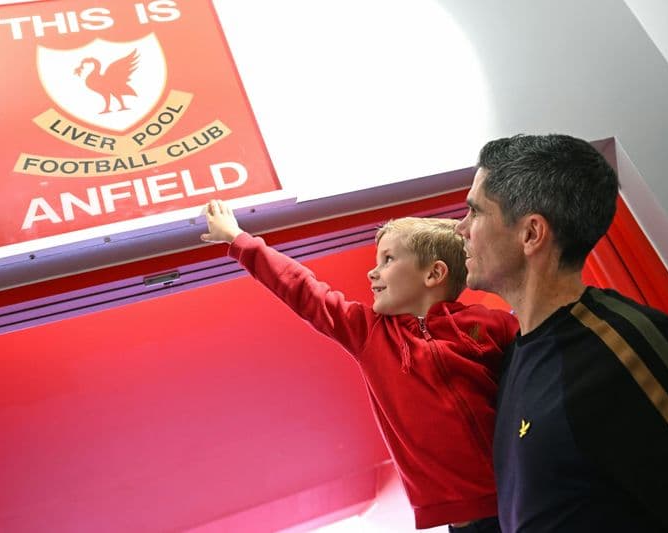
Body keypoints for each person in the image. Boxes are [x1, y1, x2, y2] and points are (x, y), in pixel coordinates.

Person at [201, 199, 518, 531]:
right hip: (467, 518)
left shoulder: (488, 325)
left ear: (434, 273)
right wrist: (239, 240)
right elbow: (303, 289)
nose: (372, 272)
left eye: (388, 259)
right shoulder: (370, 333)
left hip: (521, 488)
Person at [455, 133, 668, 532]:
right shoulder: (513, 359)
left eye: (475, 212)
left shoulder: (625, 347)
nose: (461, 228)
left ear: (531, 234)